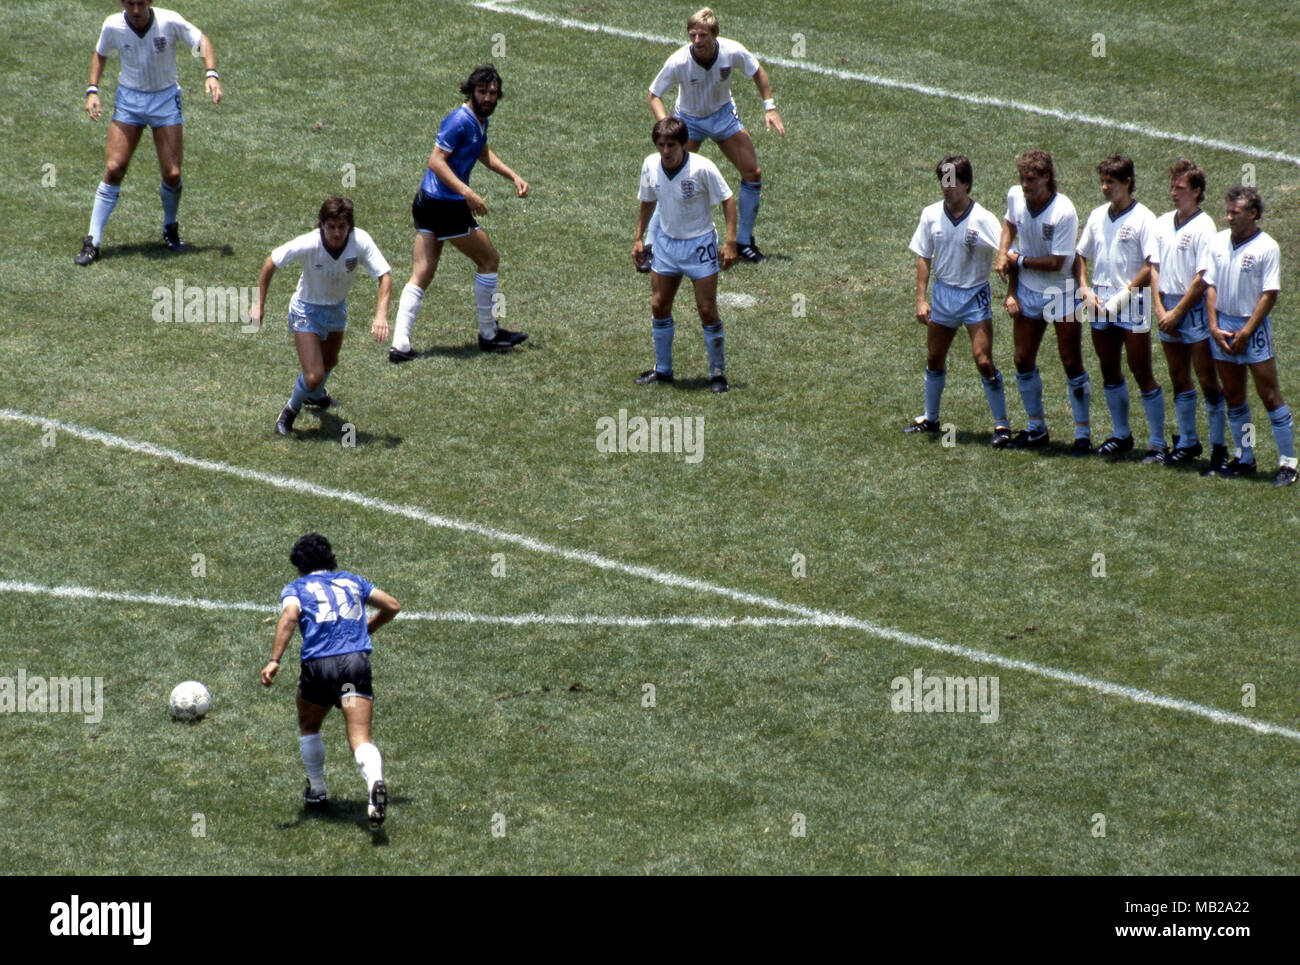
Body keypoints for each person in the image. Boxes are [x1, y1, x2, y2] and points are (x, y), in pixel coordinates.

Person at [389, 64, 529, 361]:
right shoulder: (459, 120)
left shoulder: (479, 121)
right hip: (446, 204)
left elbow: (482, 152)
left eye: (493, 93)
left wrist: (512, 176)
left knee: (423, 272)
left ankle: (400, 345)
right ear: (471, 90)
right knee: (489, 258)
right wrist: (467, 194)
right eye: (482, 92)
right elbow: (436, 162)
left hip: (427, 200)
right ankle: (489, 334)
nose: (488, 98)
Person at [261, 533, 402, 829]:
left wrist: (274, 660)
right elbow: (392, 605)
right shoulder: (352, 581)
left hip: (320, 667)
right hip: (354, 667)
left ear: (299, 566)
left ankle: (317, 791)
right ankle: (375, 781)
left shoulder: (296, 588)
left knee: (309, 725)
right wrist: (367, 629)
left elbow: (289, 617)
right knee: (360, 737)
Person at [75, 0, 222, 265]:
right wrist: (92, 90)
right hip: (130, 101)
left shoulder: (169, 21)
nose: (135, 9)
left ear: (150, 2)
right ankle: (92, 241)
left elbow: (201, 40)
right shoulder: (112, 25)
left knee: (173, 173)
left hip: (165, 100)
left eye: (140, 3)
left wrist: (210, 73)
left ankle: (170, 228)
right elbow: (101, 53)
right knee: (114, 168)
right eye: (130, 3)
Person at [645, 6, 785, 266]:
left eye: (702, 35)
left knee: (752, 172)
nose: (697, 41)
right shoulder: (678, 61)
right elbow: (654, 94)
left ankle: (743, 243)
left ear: (715, 35)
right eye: (692, 35)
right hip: (688, 120)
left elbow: (757, 71)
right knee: (669, 178)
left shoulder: (732, 51)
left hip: (722, 117)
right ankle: (651, 244)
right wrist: (668, 126)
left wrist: (770, 107)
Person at [247, 197, 393, 437]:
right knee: (314, 375)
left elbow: (385, 276)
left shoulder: (360, 241)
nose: (336, 233)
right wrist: (257, 305)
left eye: (342, 227)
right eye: (331, 227)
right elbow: (270, 262)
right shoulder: (309, 243)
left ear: (350, 227)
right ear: (322, 226)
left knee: (330, 362)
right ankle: (289, 412)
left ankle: (314, 397)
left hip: (336, 310)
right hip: (307, 310)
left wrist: (381, 315)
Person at [904, 156, 1009, 445]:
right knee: (934, 358)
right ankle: (931, 417)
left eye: (951, 181)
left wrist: (1010, 281)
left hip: (974, 295)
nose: (945, 187)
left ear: (966, 184)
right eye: (942, 180)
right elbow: (924, 256)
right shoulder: (930, 215)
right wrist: (921, 299)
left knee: (983, 360)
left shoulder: (984, 219)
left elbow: (1006, 252)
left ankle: (1002, 426)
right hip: (944, 294)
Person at [995, 150, 1092, 453]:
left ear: (1047, 178)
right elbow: (1009, 225)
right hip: (1028, 289)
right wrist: (1002, 254)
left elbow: (1058, 263)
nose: (1025, 185)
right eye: (1022, 179)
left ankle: (1083, 434)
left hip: (1060, 291)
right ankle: (1036, 428)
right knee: (1022, 359)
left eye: (1031, 180)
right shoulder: (1015, 196)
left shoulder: (1063, 211)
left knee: (1070, 361)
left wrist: (1017, 259)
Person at [632, 117, 738, 391]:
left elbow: (728, 199)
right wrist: (639, 238)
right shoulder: (650, 165)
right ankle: (663, 369)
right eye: (660, 145)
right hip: (667, 245)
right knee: (659, 305)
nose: (665, 151)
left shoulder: (702, 168)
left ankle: (717, 372)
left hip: (699, 245)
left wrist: (730, 241)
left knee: (706, 309)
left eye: (671, 145)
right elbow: (647, 201)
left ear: (683, 144)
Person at [1074, 154, 1165, 462]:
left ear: (1127, 182)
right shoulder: (1098, 215)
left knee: (1140, 368)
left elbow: (1151, 264)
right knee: (1108, 368)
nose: (1104, 188)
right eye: (1102, 182)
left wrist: (1124, 295)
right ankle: (1122, 434)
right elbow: (1080, 256)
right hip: (1099, 301)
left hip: (1132, 304)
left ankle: (1157, 443)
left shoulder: (1145, 218)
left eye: (1110, 182)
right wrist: (1084, 288)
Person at [1203, 185, 1295, 485]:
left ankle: (1288, 463)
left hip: (1251, 328)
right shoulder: (1217, 242)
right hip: (1224, 327)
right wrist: (1214, 325)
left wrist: (1246, 331)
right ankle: (1245, 457)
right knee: (1233, 396)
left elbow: (1269, 295)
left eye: (1235, 212)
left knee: (1268, 394)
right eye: (1227, 212)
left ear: (1253, 214)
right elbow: (1211, 285)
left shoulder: (1266, 247)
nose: (1228, 217)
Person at [1152, 159, 1227, 470]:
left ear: (1196, 191)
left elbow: (1202, 277)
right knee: (1177, 376)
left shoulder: (1204, 226)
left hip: (1191, 307)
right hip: (1166, 305)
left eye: (1180, 188)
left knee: (1207, 379)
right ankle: (1187, 441)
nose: (1173, 193)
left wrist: (1177, 312)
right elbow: (1153, 267)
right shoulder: (1161, 222)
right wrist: (1160, 309)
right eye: (1171, 187)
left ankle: (1219, 448)